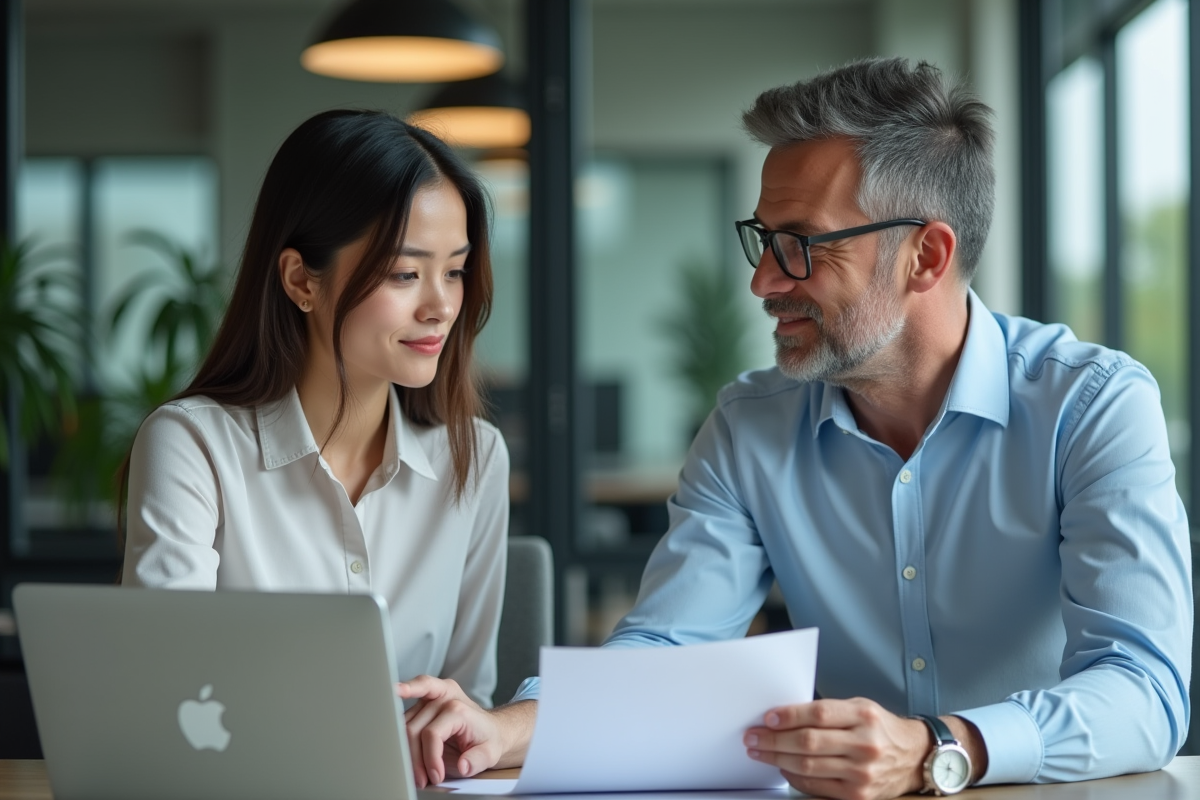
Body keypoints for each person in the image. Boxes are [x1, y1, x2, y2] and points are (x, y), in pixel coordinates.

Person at [399, 58, 1194, 800]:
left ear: (925, 256)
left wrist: (937, 750)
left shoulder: (1091, 407)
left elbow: (1145, 689)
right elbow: (671, 650)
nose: (763, 280)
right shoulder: (751, 427)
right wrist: (503, 727)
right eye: (763, 240)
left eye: (800, 246)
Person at [121, 109, 511, 713]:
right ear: (302, 279)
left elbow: (467, 704)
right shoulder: (192, 446)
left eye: (455, 271)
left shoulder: (476, 458)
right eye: (405, 273)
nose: (441, 306)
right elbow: (164, 698)